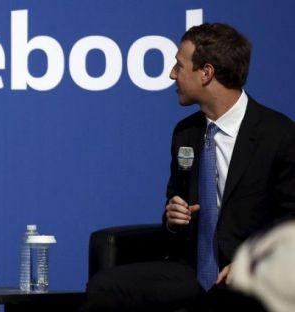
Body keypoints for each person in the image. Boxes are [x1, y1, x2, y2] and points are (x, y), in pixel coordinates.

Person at [83, 23, 295, 311]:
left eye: (179, 66)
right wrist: (172, 217)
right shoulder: (186, 133)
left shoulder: (278, 134)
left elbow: (289, 222)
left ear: (206, 73)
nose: (172, 74)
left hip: (251, 275)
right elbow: (176, 207)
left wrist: (249, 265)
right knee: (105, 287)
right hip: (194, 271)